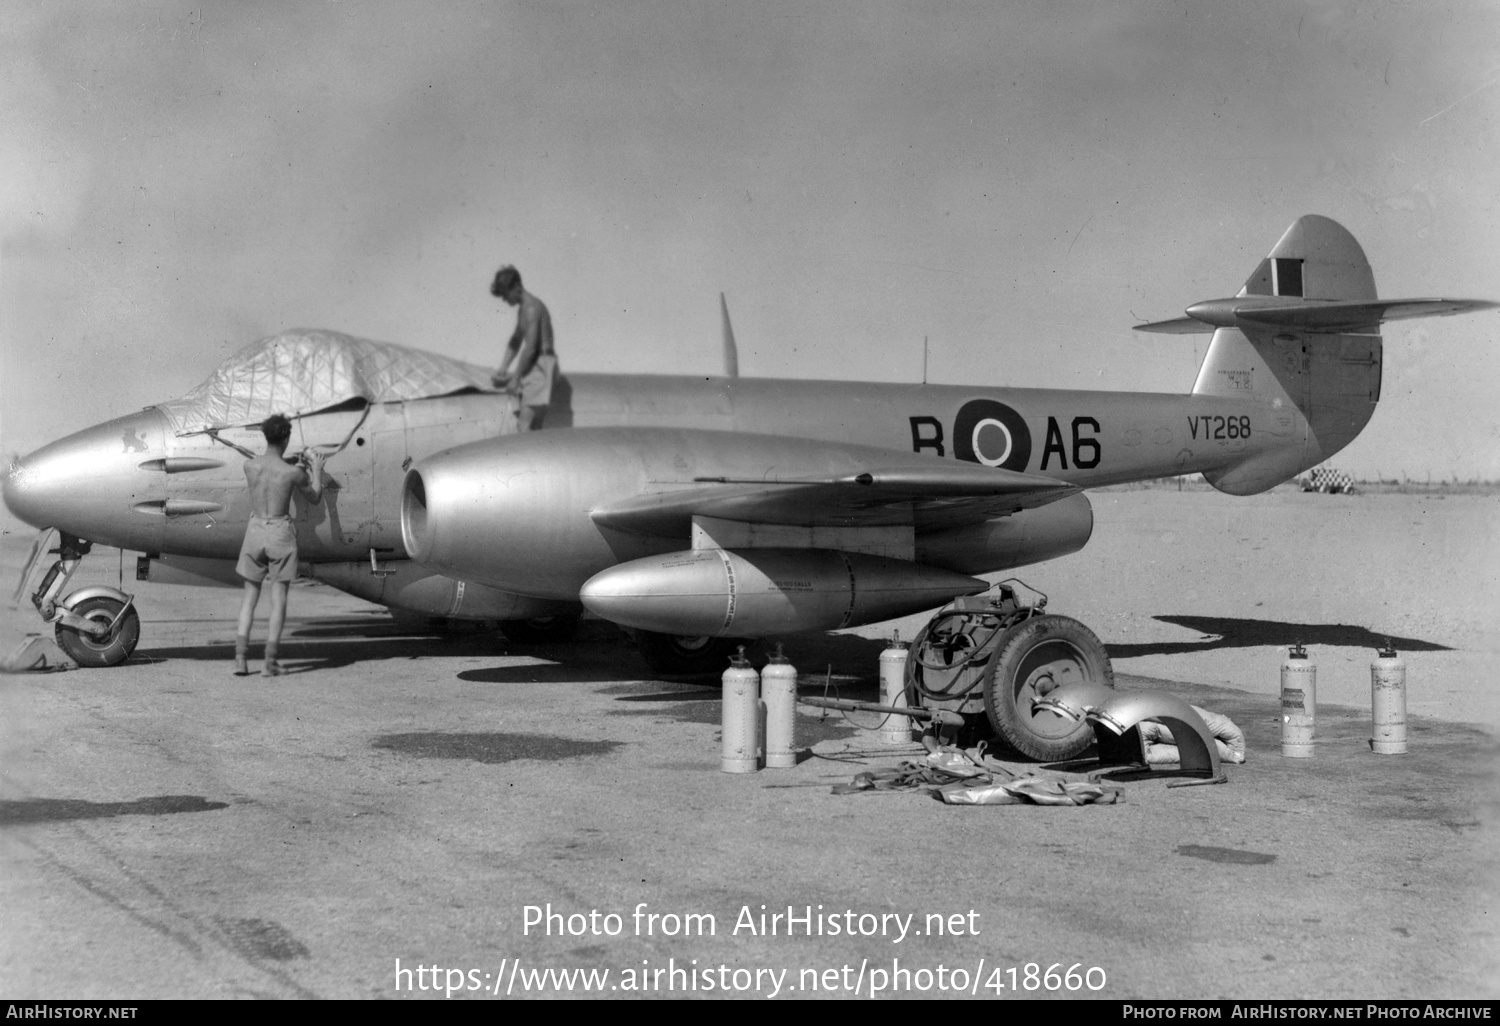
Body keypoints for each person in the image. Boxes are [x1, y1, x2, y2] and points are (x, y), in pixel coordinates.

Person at [233, 414, 325, 677]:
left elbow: (268, 466)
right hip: (280, 533)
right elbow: (315, 497)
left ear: (265, 436)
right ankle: (269, 663)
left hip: (255, 530)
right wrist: (315, 469)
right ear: (286, 438)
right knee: (278, 599)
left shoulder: (249, 466)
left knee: (249, 598)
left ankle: (240, 659)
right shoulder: (293, 473)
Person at [490, 265, 557, 430]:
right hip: (535, 366)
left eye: (506, 295)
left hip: (540, 367)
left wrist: (516, 378)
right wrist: (503, 368)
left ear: (517, 287)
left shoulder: (532, 309)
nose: (505, 300)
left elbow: (531, 348)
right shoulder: (523, 310)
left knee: (524, 425)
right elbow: (515, 340)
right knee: (531, 429)